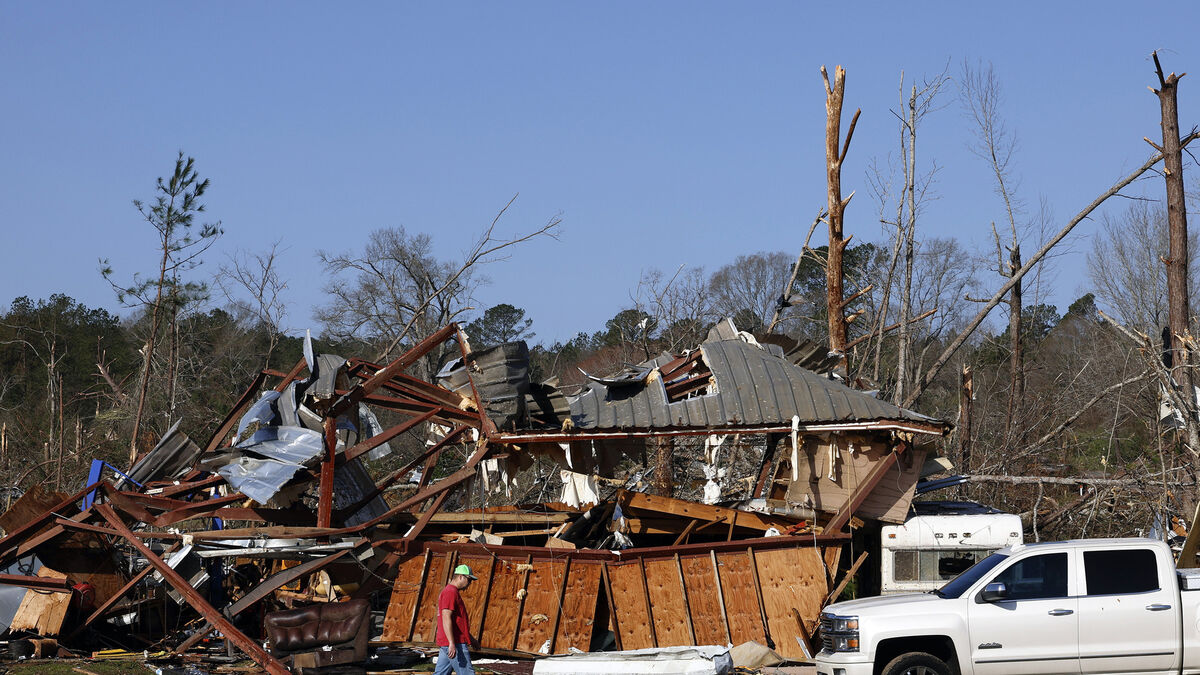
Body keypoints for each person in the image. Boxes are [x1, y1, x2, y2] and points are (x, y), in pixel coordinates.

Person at [434, 563, 478, 675]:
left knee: (441, 673)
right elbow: (446, 617)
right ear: (460, 577)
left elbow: (457, 622)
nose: (469, 584)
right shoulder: (450, 592)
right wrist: (452, 643)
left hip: (449, 641)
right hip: (455, 642)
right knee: (467, 673)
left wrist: (470, 638)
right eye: (469, 580)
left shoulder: (451, 591)